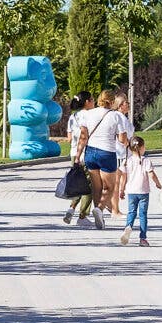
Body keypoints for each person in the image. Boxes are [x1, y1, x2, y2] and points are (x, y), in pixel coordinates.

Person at [73, 89, 128, 230]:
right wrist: (129, 142)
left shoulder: (89, 114)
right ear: (112, 101)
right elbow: (122, 139)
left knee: (97, 187)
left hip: (90, 152)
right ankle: (100, 209)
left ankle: (100, 217)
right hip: (107, 153)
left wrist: (78, 156)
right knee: (109, 187)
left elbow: (83, 136)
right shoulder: (116, 116)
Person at [120, 136, 162, 247]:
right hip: (143, 192)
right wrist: (158, 184)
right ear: (142, 147)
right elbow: (151, 174)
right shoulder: (146, 161)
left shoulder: (126, 161)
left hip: (131, 192)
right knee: (143, 215)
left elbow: (123, 177)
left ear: (130, 148)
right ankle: (143, 238)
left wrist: (121, 189)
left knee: (131, 212)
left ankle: (128, 227)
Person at [63, 91, 93, 225]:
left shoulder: (72, 116)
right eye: (92, 99)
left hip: (73, 153)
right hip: (85, 153)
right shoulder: (89, 115)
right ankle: (82, 216)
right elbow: (86, 135)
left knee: (77, 183)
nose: (94, 102)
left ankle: (71, 208)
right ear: (86, 102)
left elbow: (69, 139)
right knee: (89, 186)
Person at [110, 94, 134, 217]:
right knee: (117, 181)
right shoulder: (120, 118)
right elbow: (122, 138)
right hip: (121, 153)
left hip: (123, 152)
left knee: (121, 179)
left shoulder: (121, 117)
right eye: (126, 103)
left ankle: (113, 206)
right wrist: (130, 146)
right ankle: (115, 209)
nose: (128, 104)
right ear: (120, 105)